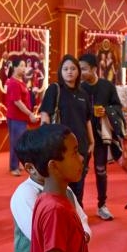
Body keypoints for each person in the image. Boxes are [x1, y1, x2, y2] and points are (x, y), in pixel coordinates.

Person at [39, 55, 95, 209]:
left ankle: (77, 214)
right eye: (65, 69)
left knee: (79, 184)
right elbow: (45, 114)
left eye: (73, 68)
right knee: (60, 185)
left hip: (81, 147)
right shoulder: (54, 89)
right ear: (60, 71)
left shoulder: (83, 94)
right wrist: (46, 141)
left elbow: (87, 120)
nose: (69, 72)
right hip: (60, 146)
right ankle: (60, 213)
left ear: (78, 71)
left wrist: (92, 142)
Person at [78, 53, 124, 221]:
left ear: (94, 69)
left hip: (101, 136)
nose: (80, 72)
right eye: (79, 69)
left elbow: (117, 106)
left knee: (101, 170)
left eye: (84, 69)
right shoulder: (78, 87)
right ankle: (78, 207)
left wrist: (107, 111)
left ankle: (102, 205)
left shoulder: (107, 86)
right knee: (80, 171)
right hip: (82, 136)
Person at [5, 58, 40, 176]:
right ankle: (13, 166)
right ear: (14, 67)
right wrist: (30, 114)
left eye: (24, 65)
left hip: (21, 117)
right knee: (16, 142)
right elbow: (17, 102)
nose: (24, 68)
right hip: (15, 117)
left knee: (19, 141)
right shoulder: (14, 83)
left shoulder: (20, 81)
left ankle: (16, 164)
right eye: (21, 65)